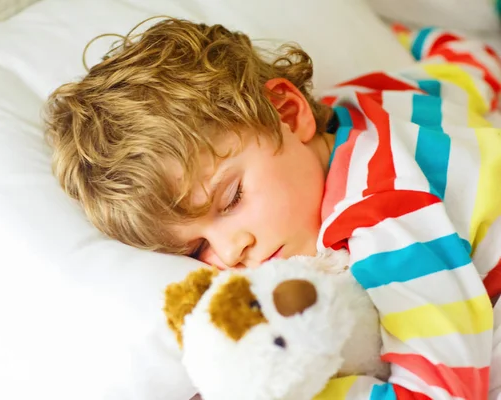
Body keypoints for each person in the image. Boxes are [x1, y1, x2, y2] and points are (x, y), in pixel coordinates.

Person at [45, 17, 501, 399]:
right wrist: (406, 35)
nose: (231, 253)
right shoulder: (366, 97)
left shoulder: (384, 213)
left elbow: (442, 389)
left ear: (288, 111)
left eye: (231, 198)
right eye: (197, 247)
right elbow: (473, 63)